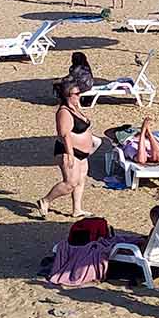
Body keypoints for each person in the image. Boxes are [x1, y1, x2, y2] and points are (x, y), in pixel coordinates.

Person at [39, 80, 96, 221]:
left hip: (82, 153)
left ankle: (77, 209)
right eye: (76, 93)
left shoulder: (75, 107)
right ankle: (45, 200)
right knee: (70, 183)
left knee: (81, 180)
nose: (79, 95)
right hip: (69, 151)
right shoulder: (64, 112)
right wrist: (70, 154)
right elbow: (64, 134)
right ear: (67, 95)